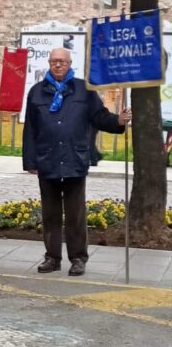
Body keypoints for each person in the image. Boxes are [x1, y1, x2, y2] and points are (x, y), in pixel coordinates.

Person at [23, 47, 131, 277]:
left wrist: (118, 121)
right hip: (47, 159)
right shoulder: (37, 92)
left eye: (62, 61)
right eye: (54, 61)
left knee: (75, 214)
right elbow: (30, 129)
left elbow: (99, 117)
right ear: (49, 64)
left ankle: (78, 258)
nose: (58, 65)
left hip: (74, 159)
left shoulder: (84, 90)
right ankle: (52, 257)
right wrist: (30, 161)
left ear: (70, 63)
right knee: (50, 214)